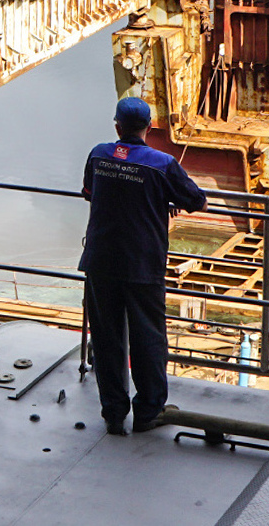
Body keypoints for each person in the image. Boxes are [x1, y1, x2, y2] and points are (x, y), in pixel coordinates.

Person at [78, 97, 206, 435]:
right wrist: (164, 200)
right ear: (149, 128)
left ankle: (113, 413)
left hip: (100, 261)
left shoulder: (98, 154)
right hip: (142, 264)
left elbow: (90, 192)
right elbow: (196, 200)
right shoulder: (162, 163)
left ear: (117, 126)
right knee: (148, 337)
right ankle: (148, 412)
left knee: (106, 338)